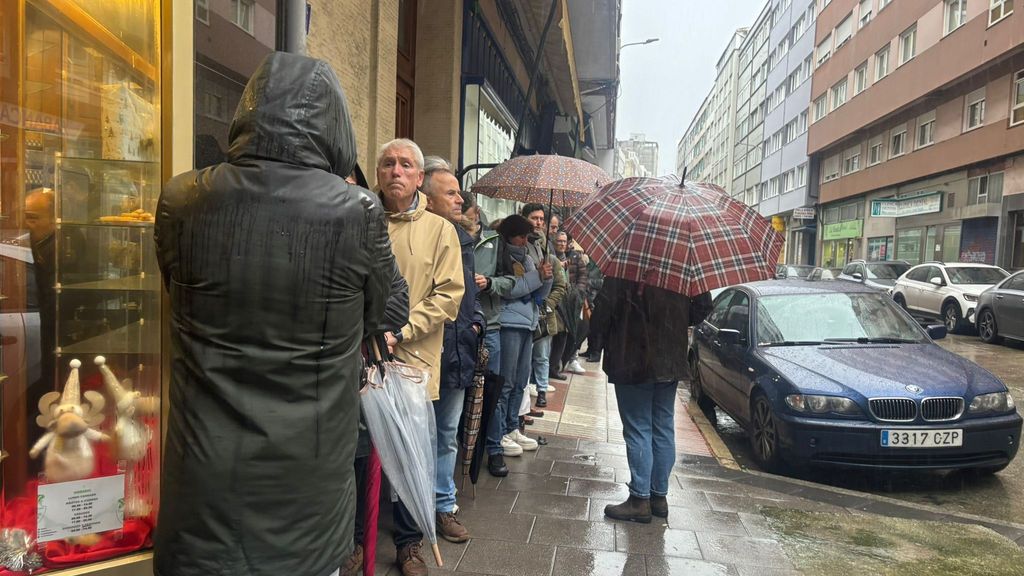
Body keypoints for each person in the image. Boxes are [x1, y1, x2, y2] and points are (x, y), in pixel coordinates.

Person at [154, 52, 394, 576]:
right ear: (336, 125)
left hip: (203, 470)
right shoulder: (356, 211)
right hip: (307, 474)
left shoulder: (182, 197)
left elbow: (173, 286)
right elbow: (388, 307)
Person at [376, 139, 465, 576]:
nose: (396, 170)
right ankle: (357, 538)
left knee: (413, 453)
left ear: (418, 180)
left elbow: (448, 296)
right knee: (359, 453)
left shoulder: (440, 230)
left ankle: (409, 545)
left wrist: (402, 332)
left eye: (405, 164)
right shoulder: (362, 219)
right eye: (388, 163)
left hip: (412, 360)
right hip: (361, 356)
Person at [588, 277, 712, 524]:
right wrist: (674, 315)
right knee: (663, 426)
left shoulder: (629, 259)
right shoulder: (683, 263)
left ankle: (639, 499)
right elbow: (702, 307)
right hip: (670, 357)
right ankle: (658, 497)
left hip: (631, 355)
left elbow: (604, 307)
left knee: (638, 427)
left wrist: (595, 345)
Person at [422, 156, 483, 545]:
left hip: (459, 350)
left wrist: (477, 323)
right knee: (417, 433)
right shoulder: (417, 235)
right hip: (422, 350)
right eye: (451, 193)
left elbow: (470, 297)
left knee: (446, 432)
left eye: (459, 193)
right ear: (427, 198)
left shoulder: (464, 239)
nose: (460, 199)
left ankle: (444, 505)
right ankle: (412, 506)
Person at [485, 215, 551, 476]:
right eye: (520, 236)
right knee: (507, 381)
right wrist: (536, 277)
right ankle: (499, 431)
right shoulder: (499, 255)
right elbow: (512, 288)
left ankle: (513, 425)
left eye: (527, 237)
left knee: (521, 381)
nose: (525, 241)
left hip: (528, 323)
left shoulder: (527, 257)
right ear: (509, 235)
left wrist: (545, 277)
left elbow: (536, 293)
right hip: (509, 322)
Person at [520, 204, 563, 407]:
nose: (538, 222)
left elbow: (560, 285)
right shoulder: (520, 248)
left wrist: (547, 303)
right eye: (534, 218)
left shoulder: (548, 253)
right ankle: (525, 398)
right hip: (523, 311)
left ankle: (542, 388)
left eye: (540, 219)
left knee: (541, 355)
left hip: (543, 314)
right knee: (524, 360)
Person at [550, 231, 589, 379]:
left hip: (571, 302)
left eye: (564, 241)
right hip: (556, 301)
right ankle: (553, 367)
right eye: (559, 241)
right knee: (557, 335)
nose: (562, 244)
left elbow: (583, 277)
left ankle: (561, 363)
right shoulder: (551, 257)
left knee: (571, 333)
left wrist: (577, 293)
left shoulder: (575, 257)